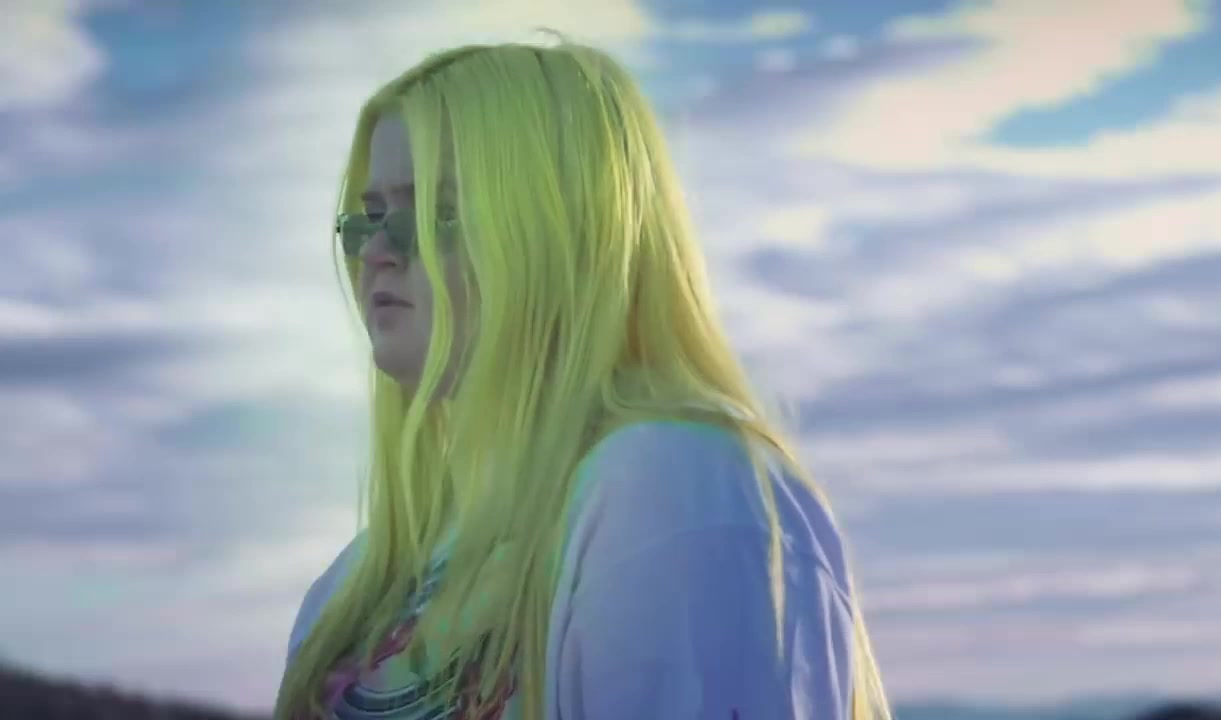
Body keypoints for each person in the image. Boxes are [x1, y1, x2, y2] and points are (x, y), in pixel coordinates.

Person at [272, 32, 892, 720]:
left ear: (559, 234)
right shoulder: (354, 587)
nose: (378, 253)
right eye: (371, 218)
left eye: (436, 212)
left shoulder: (673, 483)